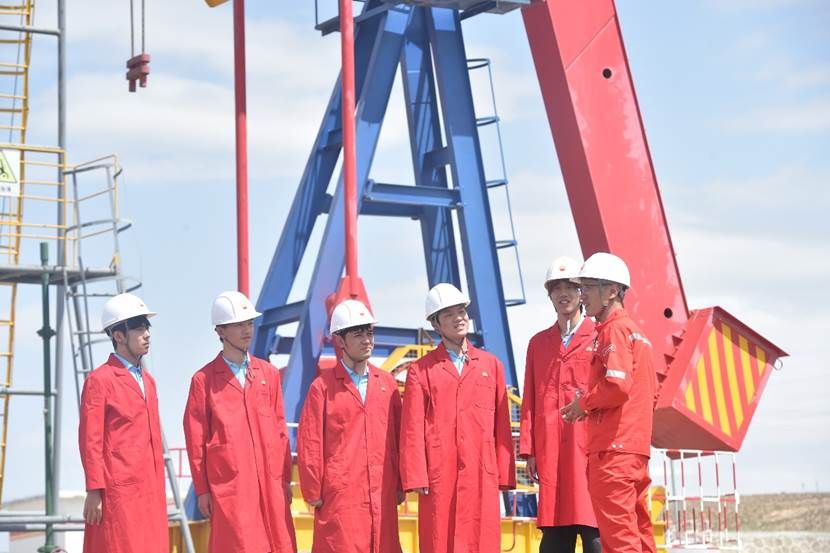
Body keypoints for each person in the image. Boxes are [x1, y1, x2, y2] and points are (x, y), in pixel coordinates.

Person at [400, 283, 516, 553]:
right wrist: (417, 476)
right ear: (436, 324)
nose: (459, 318)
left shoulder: (491, 365)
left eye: (461, 311)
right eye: (449, 314)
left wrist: (504, 472)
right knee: (440, 540)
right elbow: (412, 428)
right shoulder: (421, 371)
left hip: (480, 471)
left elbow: (501, 425)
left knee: (482, 541)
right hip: (440, 474)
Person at [183, 291, 296, 553]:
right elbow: (195, 441)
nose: (247, 330)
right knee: (238, 545)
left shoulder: (268, 374)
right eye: (239, 325)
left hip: (270, 482)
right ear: (220, 330)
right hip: (232, 486)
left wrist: (285, 480)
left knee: (279, 543)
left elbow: (280, 431)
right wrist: (202, 490)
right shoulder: (203, 381)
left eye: (250, 323)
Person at [560, 253, 657, 553]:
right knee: (640, 535)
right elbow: (648, 393)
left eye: (589, 287)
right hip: (634, 450)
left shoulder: (614, 330)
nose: (582, 295)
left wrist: (584, 404)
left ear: (612, 291)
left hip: (613, 452)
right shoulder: (636, 333)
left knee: (619, 541)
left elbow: (616, 385)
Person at [297, 299, 403, 553]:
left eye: (369, 332)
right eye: (358, 334)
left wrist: (400, 483)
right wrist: (313, 491)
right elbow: (310, 442)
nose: (367, 340)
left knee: (383, 545)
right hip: (341, 494)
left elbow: (399, 438)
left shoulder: (387, 384)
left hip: (382, 489)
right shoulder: (322, 388)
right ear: (340, 341)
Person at [519, 257, 601, 553]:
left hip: (589, 446)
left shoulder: (600, 336)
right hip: (551, 449)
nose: (563, 294)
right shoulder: (538, 344)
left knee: (595, 533)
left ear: (582, 293)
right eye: (556, 288)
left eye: (570, 287)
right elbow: (530, 398)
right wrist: (529, 450)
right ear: (549, 295)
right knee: (554, 536)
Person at [79, 293, 168, 553]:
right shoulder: (100, 380)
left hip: (151, 487)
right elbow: (90, 439)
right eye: (139, 328)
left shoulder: (149, 382)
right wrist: (94, 489)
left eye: (147, 327)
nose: (147, 334)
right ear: (118, 335)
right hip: (118, 491)